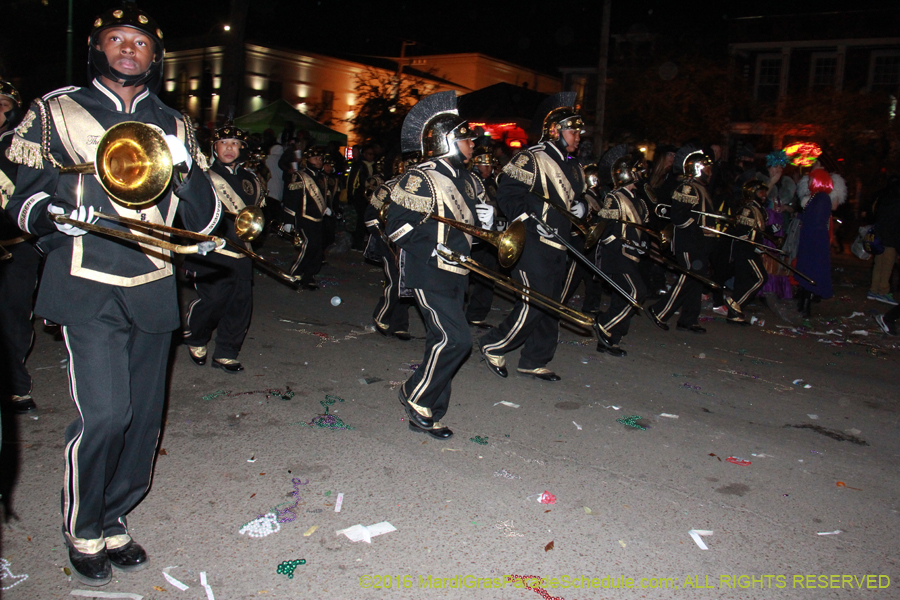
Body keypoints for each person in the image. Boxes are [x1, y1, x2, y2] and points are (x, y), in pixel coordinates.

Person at [6, 4, 220, 585]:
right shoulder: (56, 110)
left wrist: (185, 171)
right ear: (97, 48)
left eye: (140, 42)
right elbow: (18, 196)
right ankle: (83, 526)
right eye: (117, 38)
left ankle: (114, 517)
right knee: (105, 415)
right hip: (85, 283)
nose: (129, 48)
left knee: (143, 423)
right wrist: (52, 217)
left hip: (153, 285)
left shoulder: (175, 124)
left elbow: (204, 218)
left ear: (155, 56)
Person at [384, 91, 492, 439]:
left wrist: (487, 225)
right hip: (428, 271)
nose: (472, 145)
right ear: (447, 141)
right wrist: (433, 249)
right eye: (466, 139)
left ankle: (429, 410)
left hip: (459, 271)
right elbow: (396, 226)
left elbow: (469, 231)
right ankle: (415, 394)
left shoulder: (469, 179)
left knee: (441, 339)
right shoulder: (421, 177)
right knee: (457, 340)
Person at [476, 92, 587, 382]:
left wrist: (582, 207)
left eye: (579, 132)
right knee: (536, 300)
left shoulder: (573, 165)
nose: (578, 137)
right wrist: (531, 220)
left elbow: (576, 198)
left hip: (559, 242)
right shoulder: (532, 157)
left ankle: (535, 359)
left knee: (551, 305)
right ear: (556, 130)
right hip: (531, 241)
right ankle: (494, 344)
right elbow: (508, 195)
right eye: (573, 131)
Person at [183, 122, 260, 372]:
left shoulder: (252, 180)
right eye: (224, 143)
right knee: (213, 300)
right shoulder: (204, 177)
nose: (229, 148)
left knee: (240, 304)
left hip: (242, 250)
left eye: (235, 144)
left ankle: (226, 352)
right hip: (212, 249)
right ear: (214, 148)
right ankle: (196, 336)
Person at [0, 79, 42, 415]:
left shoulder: (22, 145)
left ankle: (15, 385)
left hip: (15, 245)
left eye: (1, 105)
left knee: (12, 314)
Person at [649, 147, 718, 334]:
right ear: (698, 169)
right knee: (688, 278)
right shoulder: (688, 188)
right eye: (708, 169)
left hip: (699, 243)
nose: (710, 173)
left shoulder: (700, 188)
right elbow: (679, 216)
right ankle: (660, 311)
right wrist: (699, 231)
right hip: (689, 243)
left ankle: (688, 319)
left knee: (696, 281)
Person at [594, 145, 649, 356]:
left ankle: (610, 340)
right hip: (617, 256)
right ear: (627, 173)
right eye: (637, 170)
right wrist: (620, 243)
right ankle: (604, 324)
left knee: (621, 298)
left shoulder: (638, 198)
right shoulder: (615, 197)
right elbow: (605, 228)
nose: (641, 173)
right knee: (636, 293)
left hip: (632, 256)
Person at [365, 155, 416, 341]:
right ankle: (382, 315)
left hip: (410, 242)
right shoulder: (388, 188)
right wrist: (387, 241)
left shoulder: (421, 190)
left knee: (407, 284)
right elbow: (370, 217)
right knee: (395, 281)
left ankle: (400, 325)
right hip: (388, 242)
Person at [282, 146, 330, 290]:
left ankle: (309, 276)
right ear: (307, 160)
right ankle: (295, 272)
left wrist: (327, 208)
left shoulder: (322, 177)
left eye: (320, 158)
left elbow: (324, 196)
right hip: (305, 217)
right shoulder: (300, 176)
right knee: (309, 245)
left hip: (318, 218)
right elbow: (292, 198)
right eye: (315, 158)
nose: (319, 161)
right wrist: (288, 220)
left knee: (318, 249)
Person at [465, 146, 503, 326]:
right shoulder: (469, 181)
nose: (488, 169)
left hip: (488, 235)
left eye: (490, 165)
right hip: (471, 235)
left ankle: (477, 314)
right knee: (464, 276)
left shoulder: (492, 184)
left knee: (487, 276)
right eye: (484, 165)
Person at [561, 163, 603, 314]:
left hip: (590, 241)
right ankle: (559, 303)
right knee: (573, 275)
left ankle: (590, 305)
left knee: (592, 274)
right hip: (579, 240)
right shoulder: (584, 196)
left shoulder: (596, 196)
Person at [725, 180, 769, 325]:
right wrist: (754, 244)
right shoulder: (748, 210)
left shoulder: (758, 209)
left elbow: (757, 230)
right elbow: (742, 232)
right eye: (761, 192)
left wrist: (770, 231)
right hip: (746, 251)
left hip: (750, 250)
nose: (764, 195)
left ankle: (734, 314)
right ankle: (735, 302)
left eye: (765, 192)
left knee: (743, 281)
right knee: (760, 278)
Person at [795, 169, 835, 318]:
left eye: (812, 179)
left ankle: (805, 306)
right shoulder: (816, 197)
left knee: (811, 271)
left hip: (814, 240)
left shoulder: (822, 198)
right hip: (810, 238)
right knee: (806, 270)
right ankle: (803, 304)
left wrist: (802, 220)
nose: (809, 182)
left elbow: (816, 220)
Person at [867, 176, 900, 305]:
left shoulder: (882, 197)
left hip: (879, 237)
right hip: (890, 238)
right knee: (887, 266)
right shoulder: (897, 200)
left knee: (878, 264)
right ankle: (883, 292)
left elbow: (872, 213)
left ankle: (873, 290)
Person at [348, 144, 375, 250]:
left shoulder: (373, 165)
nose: (371, 156)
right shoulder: (360, 165)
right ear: (363, 154)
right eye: (369, 154)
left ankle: (362, 243)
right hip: (359, 196)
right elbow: (353, 181)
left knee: (365, 220)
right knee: (360, 221)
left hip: (368, 197)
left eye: (372, 154)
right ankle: (357, 244)